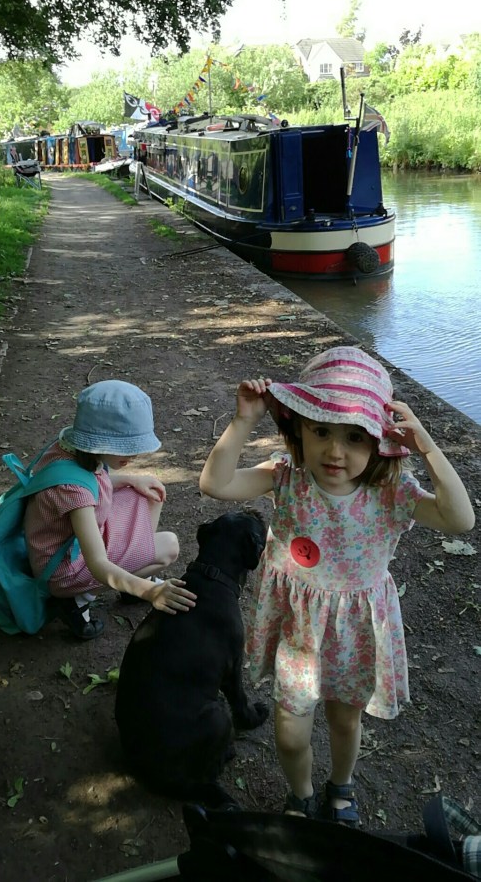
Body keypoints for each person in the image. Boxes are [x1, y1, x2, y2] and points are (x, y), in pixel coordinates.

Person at [199, 346, 475, 824]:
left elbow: (460, 519)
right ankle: (301, 795)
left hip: (355, 630)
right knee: (290, 732)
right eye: (320, 430)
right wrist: (243, 420)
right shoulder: (286, 478)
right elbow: (215, 484)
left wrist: (427, 446)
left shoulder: (391, 493)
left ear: (380, 441)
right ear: (298, 427)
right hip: (297, 630)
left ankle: (341, 789)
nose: (334, 450)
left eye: (354, 436)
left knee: (345, 721)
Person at [24, 379, 196, 640]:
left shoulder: (68, 451)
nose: (135, 456)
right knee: (168, 546)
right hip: (65, 569)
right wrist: (150, 593)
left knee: (151, 493)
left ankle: (130, 577)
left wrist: (130, 479)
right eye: (126, 448)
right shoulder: (73, 492)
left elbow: (92, 484)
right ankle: (78, 598)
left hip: (69, 543)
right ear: (99, 443)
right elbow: (98, 563)